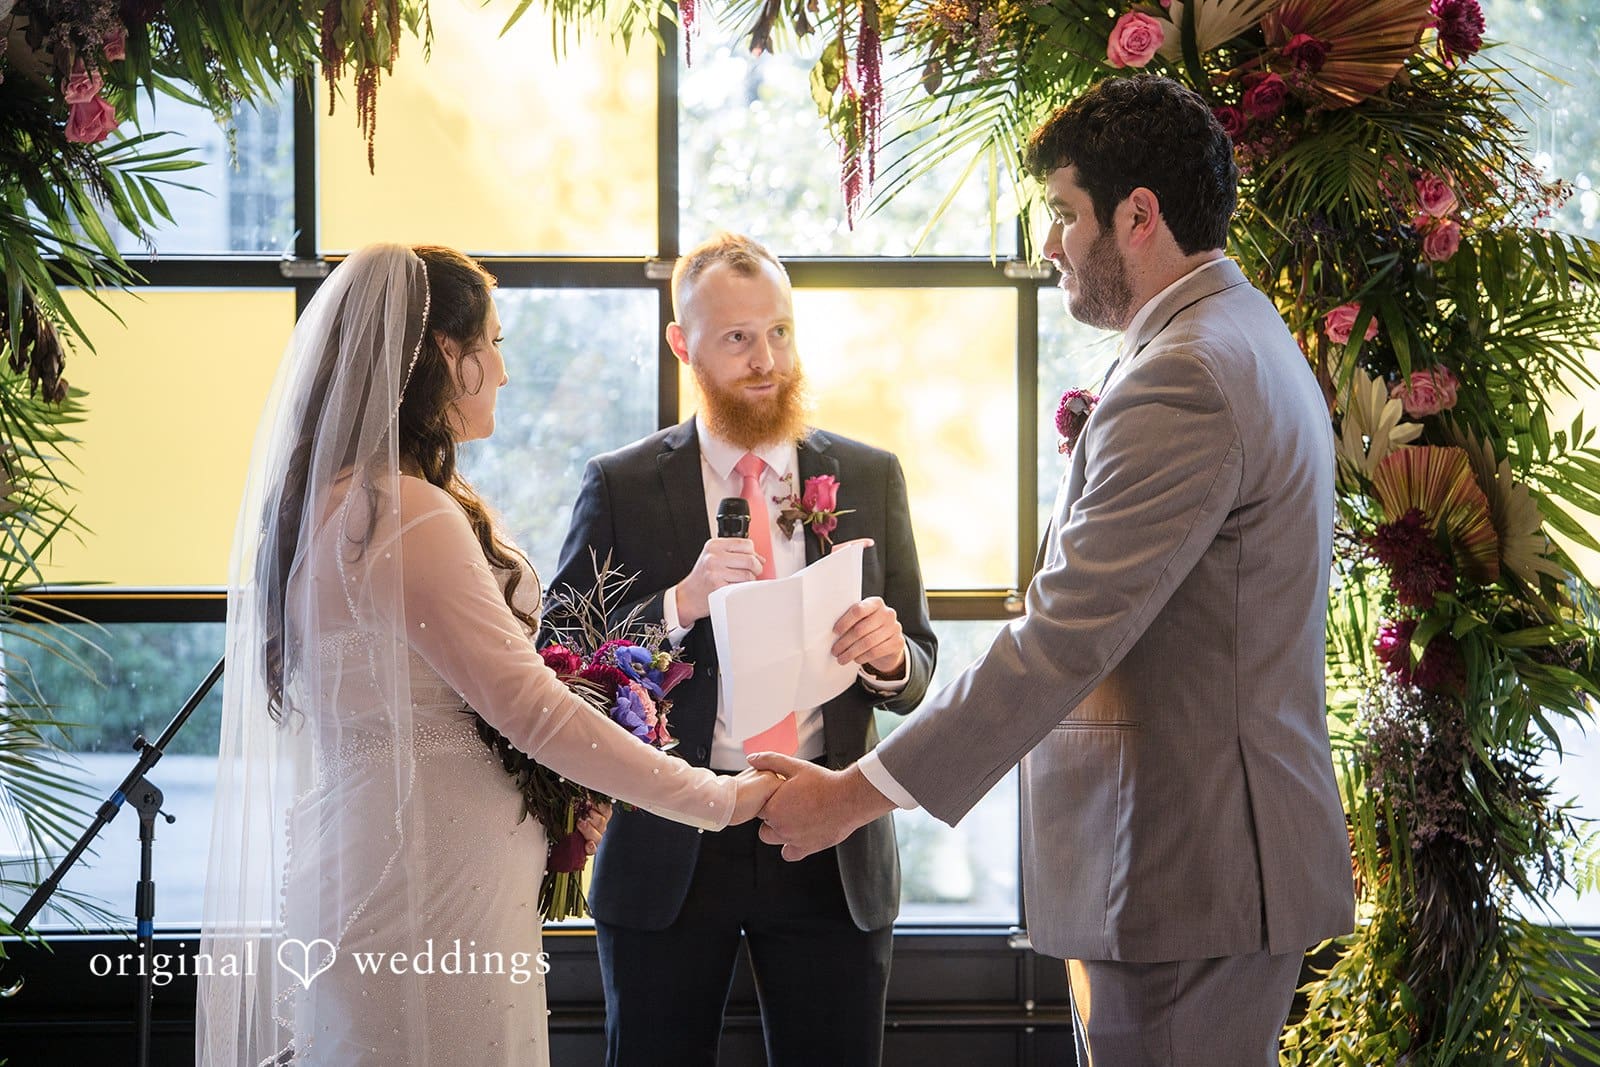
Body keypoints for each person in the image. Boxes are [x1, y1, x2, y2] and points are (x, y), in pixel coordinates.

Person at [753, 75, 1356, 1066]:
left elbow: (1063, 636)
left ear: (1137, 215)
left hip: (1181, 864)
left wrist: (850, 792)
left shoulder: (1187, 371)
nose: (1048, 243)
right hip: (1190, 865)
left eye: (1062, 214)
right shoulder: (1225, 336)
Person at [195, 243, 778, 1067]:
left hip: (371, 858)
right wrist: (717, 799)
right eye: (493, 343)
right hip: (431, 883)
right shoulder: (408, 514)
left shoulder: (329, 505)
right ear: (445, 353)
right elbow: (532, 708)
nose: (503, 370)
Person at [545, 232, 937, 1066]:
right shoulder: (620, 483)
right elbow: (561, 651)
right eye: (738, 338)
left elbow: (918, 667)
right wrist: (678, 604)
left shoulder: (870, 475)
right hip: (670, 841)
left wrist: (890, 656)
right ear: (683, 344)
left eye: (781, 332)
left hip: (826, 837)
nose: (767, 360)